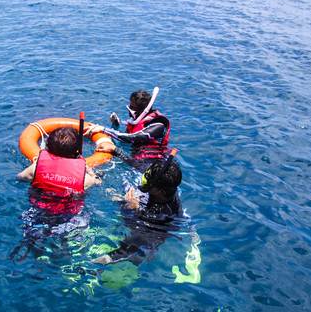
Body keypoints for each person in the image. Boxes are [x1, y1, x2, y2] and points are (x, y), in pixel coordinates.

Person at [11, 127, 101, 262]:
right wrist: (89, 171)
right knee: (65, 242)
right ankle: (63, 260)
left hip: (39, 213)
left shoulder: (36, 168)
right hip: (69, 217)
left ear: (48, 147)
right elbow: (98, 182)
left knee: (35, 240)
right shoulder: (83, 177)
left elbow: (19, 177)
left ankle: (38, 263)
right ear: (76, 151)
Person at [91, 152, 184, 266]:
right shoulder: (163, 191)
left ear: (157, 191)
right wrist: (117, 152)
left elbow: (138, 235)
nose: (144, 177)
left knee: (135, 250)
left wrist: (131, 209)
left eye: (148, 178)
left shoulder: (164, 213)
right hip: (144, 211)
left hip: (148, 236)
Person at [84, 87, 170, 172]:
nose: (130, 109)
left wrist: (104, 129)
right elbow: (134, 125)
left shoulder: (158, 125)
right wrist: (118, 123)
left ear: (142, 110)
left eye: (133, 107)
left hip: (153, 163)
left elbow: (133, 137)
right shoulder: (139, 119)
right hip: (136, 159)